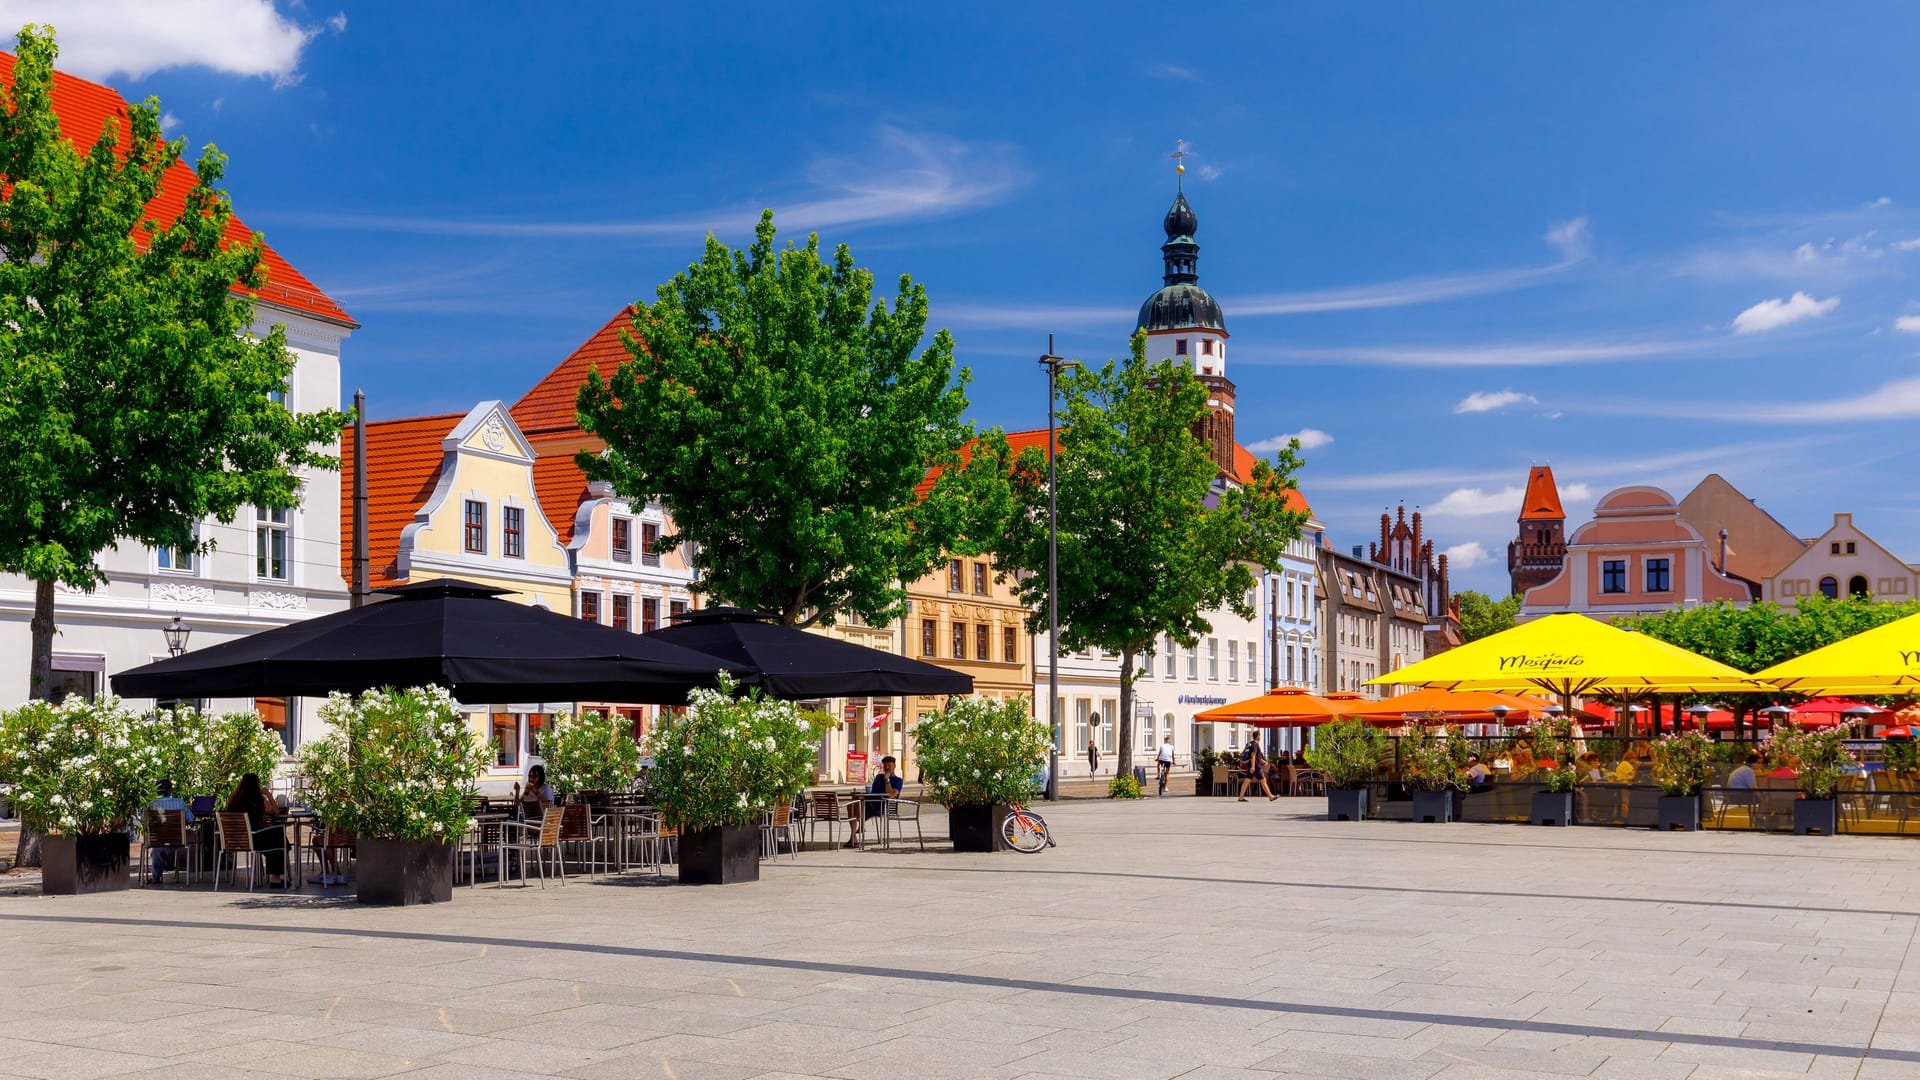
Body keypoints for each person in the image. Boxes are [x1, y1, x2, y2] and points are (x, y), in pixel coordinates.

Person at [225, 772, 286, 888]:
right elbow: (276, 813)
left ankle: (276, 877)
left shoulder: (234, 801)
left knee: (276, 840)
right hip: (254, 838)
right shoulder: (258, 801)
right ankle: (275, 879)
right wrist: (268, 795)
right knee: (278, 838)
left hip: (237, 840)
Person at [846, 754, 904, 848]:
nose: (886, 767)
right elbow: (873, 791)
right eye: (884, 765)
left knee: (857, 803)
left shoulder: (898, 780)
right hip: (870, 803)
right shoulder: (878, 777)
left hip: (881, 806)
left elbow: (892, 795)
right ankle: (856, 833)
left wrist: (887, 780)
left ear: (894, 766)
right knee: (853, 801)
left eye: (889, 765)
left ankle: (859, 828)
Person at [147, 778, 193, 884]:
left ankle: (156, 876)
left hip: (158, 841)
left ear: (156, 790)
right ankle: (170, 863)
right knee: (168, 846)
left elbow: (147, 824)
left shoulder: (151, 804)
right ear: (170, 790)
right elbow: (191, 820)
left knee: (158, 849)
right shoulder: (179, 803)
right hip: (177, 841)